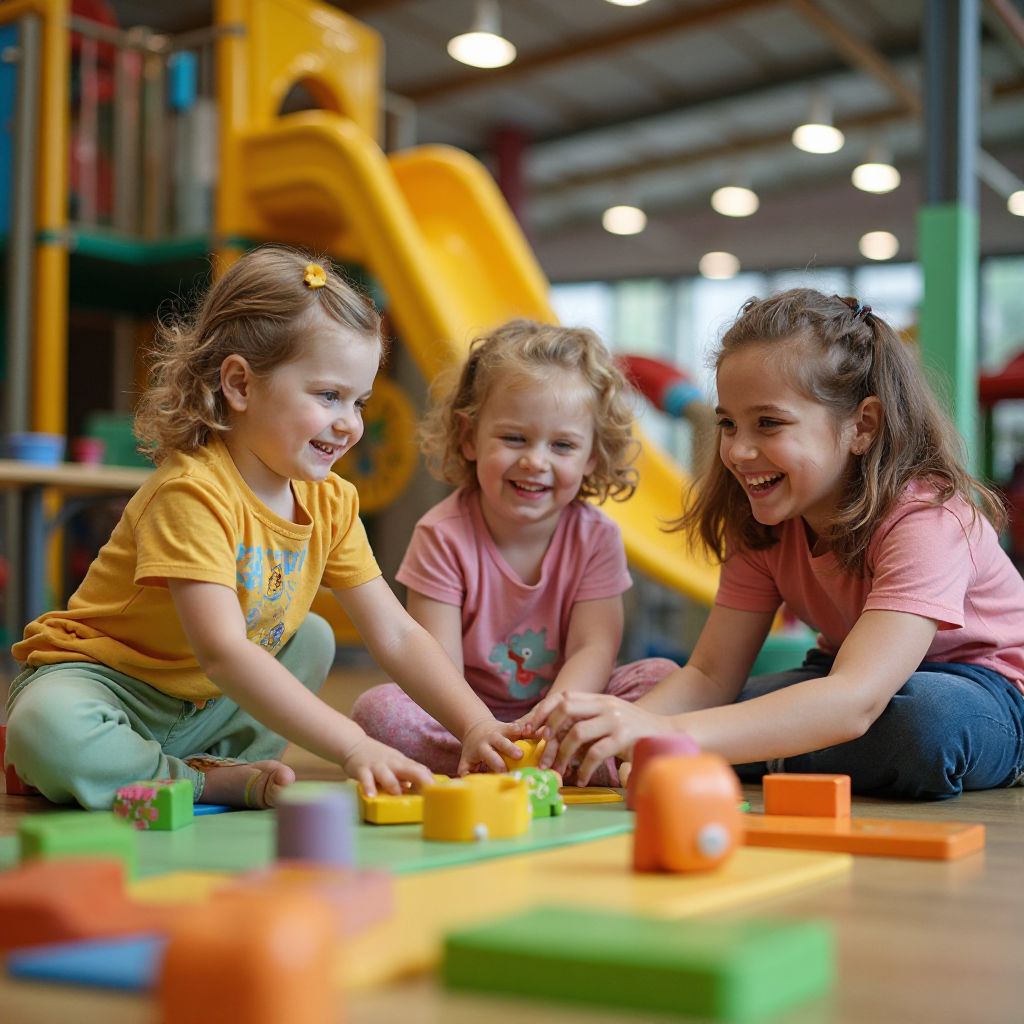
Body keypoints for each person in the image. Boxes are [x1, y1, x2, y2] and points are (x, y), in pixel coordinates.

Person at [6, 246, 522, 810]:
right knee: (46, 727)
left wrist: (476, 724)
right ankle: (198, 780)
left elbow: (395, 633)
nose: (350, 424)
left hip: (208, 704)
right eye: (329, 396)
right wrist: (352, 747)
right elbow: (224, 652)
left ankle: (190, 767)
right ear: (241, 385)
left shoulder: (332, 502)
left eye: (360, 401)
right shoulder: (192, 493)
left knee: (312, 639)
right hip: (113, 689)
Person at [523, 289, 1024, 800]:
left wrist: (669, 736)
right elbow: (711, 673)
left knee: (922, 722)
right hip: (843, 678)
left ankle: (753, 754)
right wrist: (620, 730)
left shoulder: (927, 516)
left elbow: (855, 699)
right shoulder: (764, 522)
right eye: (727, 424)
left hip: (985, 690)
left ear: (863, 426)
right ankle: (769, 752)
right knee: (729, 707)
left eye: (769, 423)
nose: (738, 450)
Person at [351, 319, 677, 779]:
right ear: (469, 437)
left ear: (591, 458)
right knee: (378, 711)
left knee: (664, 680)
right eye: (514, 438)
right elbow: (437, 661)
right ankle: (544, 763)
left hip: (571, 708)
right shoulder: (442, 534)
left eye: (562, 445)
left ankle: (540, 760)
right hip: (465, 712)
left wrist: (554, 718)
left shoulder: (596, 536)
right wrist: (478, 726)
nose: (534, 461)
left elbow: (594, 648)